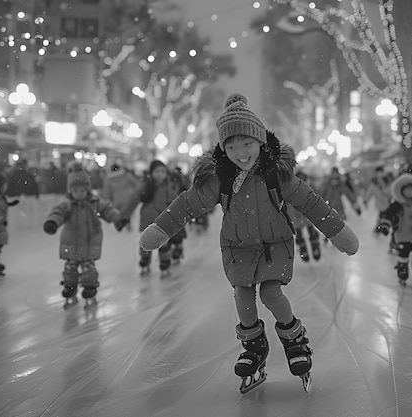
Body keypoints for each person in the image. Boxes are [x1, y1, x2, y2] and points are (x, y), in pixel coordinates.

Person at [136, 93, 359, 393]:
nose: (240, 153)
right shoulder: (220, 179)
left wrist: (339, 233)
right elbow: (186, 205)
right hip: (237, 246)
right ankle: (254, 347)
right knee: (243, 297)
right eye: (231, 146)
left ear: (260, 141)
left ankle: (295, 340)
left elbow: (311, 203)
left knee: (271, 293)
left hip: (275, 243)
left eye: (247, 144)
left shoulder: (276, 175)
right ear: (223, 148)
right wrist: (160, 230)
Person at [43, 162, 120, 310]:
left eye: (82, 190)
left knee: (89, 273)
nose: (79, 193)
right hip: (71, 245)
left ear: (88, 189)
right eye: (75, 190)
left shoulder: (94, 203)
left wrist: (118, 218)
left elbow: (107, 209)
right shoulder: (68, 205)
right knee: (70, 272)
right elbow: (58, 213)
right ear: (70, 190)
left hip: (89, 244)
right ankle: (70, 294)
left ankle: (90, 294)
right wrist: (52, 222)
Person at [115, 159, 188, 277]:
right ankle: (144, 264)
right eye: (157, 172)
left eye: (163, 172)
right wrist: (123, 216)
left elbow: (176, 202)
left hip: (164, 221)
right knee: (146, 244)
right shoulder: (146, 185)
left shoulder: (169, 186)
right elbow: (133, 201)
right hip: (148, 220)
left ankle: (164, 266)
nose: (160, 174)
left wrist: (182, 215)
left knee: (164, 245)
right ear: (152, 173)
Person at [288, 170, 322, 262]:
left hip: (306, 215)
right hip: (298, 215)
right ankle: (306, 250)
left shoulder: (308, 187)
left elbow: (316, 197)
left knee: (310, 231)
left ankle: (313, 248)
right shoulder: (292, 188)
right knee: (301, 233)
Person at [101, 163, 141, 231]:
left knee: (119, 212)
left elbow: (107, 191)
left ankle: (121, 223)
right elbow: (137, 184)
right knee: (128, 211)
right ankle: (128, 223)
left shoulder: (109, 179)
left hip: (117, 200)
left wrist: (106, 199)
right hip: (128, 198)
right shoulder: (127, 175)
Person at [363, 166, 392, 236]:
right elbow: (370, 192)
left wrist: (383, 189)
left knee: (387, 216)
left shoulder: (387, 181)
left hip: (388, 203)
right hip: (380, 204)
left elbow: (390, 191)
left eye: (381, 172)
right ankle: (379, 229)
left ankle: (382, 228)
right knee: (382, 216)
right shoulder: (374, 184)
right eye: (378, 173)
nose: (379, 174)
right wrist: (366, 200)